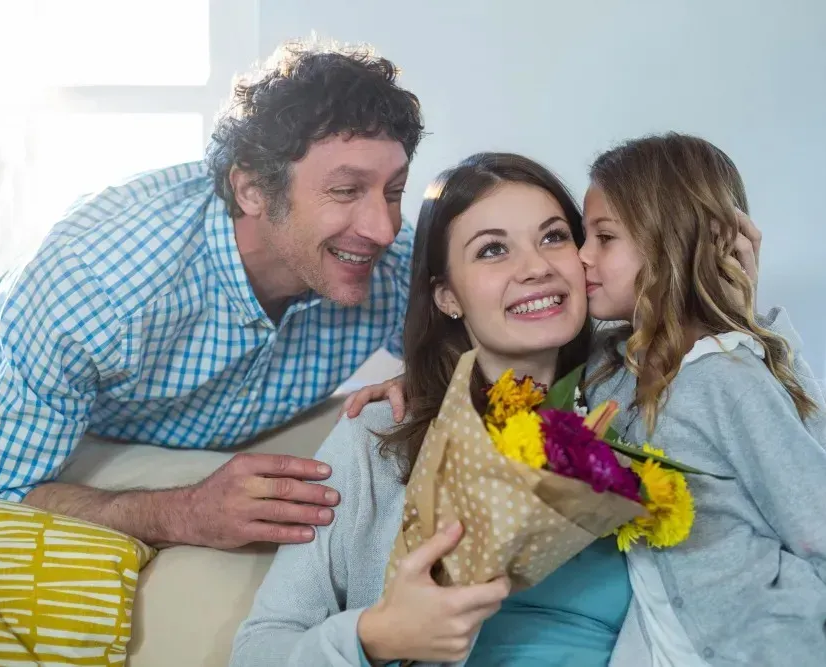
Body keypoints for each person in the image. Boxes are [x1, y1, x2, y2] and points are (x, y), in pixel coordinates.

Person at [0, 39, 425, 549]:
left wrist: (430, 375)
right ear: (252, 190)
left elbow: (475, 360)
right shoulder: (99, 282)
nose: (383, 229)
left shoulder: (392, 260)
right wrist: (184, 513)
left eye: (393, 191)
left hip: (215, 433)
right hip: (12, 407)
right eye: (346, 191)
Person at [230, 152, 657, 667]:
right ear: (448, 296)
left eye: (553, 237)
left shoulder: (646, 394)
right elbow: (262, 646)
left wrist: (725, 293)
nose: (537, 268)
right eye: (493, 250)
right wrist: (375, 637)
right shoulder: (380, 432)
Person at [577, 133, 826, 665]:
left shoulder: (726, 376)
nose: (581, 256)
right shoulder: (607, 373)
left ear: (673, 243)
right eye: (583, 235)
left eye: (604, 237)